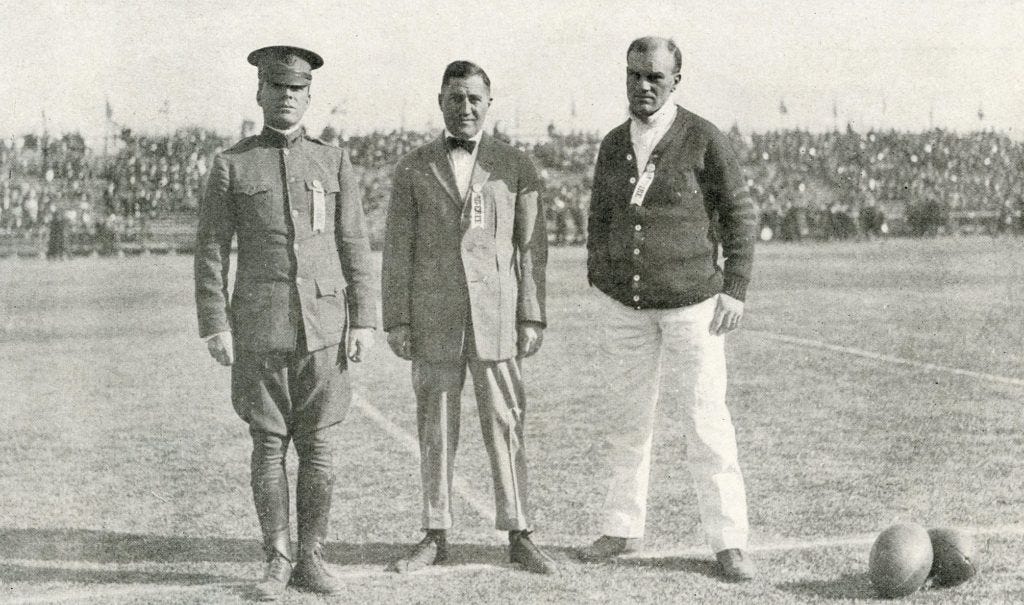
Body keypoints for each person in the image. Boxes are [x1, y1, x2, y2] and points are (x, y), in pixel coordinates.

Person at [193, 45, 377, 601]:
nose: (287, 97)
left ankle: (312, 557)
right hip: (259, 325)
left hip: (324, 325)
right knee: (268, 443)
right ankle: (277, 557)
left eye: (297, 90)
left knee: (319, 445)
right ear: (260, 93)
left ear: (309, 96)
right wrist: (215, 323)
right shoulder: (232, 164)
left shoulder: (333, 160)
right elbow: (210, 249)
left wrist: (364, 319)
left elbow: (354, 243)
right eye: (277, 88)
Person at [580, 37, 759, 582]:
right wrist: (600, 276)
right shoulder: (612, 144)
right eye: (635, 75)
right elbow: (599, 217)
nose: (644, 85)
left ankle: (728, 541)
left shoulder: (704, 139)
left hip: (693, 308)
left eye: (655, 76)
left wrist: (735, 286)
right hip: (626, 307)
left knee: (706, 421)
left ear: (676, 80)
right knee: (626, 420)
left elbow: (740, 214)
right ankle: (622, 526)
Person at [381, 60, 555, 575]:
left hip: (498, 317)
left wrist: (531, 316)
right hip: (434, 318)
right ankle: (435, 532)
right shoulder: (412, 167)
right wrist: (397, 320)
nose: (466, 108)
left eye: (475, 99)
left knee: (506, 423)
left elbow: (530, 250)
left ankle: (519, 532)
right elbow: (397, 251)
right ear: (440, 101)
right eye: (456, 98)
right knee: (435, 427)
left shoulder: (515, 165)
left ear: (489, 104)